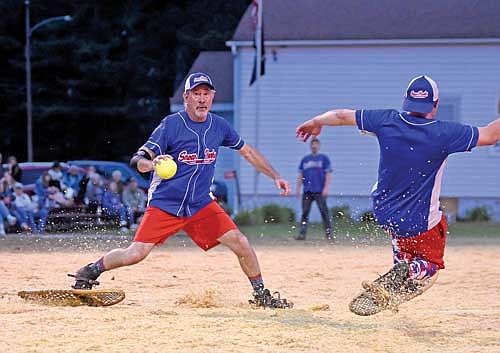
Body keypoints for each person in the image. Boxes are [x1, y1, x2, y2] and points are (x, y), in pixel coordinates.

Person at [71, 72, 291, 307]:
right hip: (166, 202)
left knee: (241, 242)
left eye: (206, 94)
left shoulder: (219, 126)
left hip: (200, 203)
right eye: (196, 94)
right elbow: (138, 160)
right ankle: (90, 271)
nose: (202, 99)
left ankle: (261, 296)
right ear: (186, 97)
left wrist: (275, 176)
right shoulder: (172, 124)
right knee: (136, 253)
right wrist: (152, 164)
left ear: (212, 97)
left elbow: (247, 152)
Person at [295, 75, 500, 309]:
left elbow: (342, 115)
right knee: (430, 268)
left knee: (401, 239)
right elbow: (491, 135)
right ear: (435, 104)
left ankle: (398, 275)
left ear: (406, 100)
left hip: (384, 213)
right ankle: (411, 269)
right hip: (422, 222)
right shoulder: (444, 133)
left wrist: (316, 121)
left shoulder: (387, 120)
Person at [295, 138, 333, 240]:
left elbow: (328, 174)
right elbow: (300, 175)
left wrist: (326, 188)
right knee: (305, 213)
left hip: (319, 191)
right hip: (307, 191)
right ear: (310, 146)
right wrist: (298, 188)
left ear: (319, 146)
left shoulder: (323, 158)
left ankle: (329, 234)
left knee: (324, 212)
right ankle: (302, 234)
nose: (314, 146)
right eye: (312, 144)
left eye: (316, 144)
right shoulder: (305, 160)